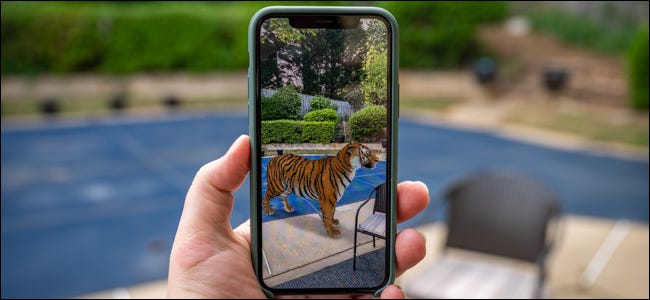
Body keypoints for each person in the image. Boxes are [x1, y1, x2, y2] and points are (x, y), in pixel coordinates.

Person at [167, 135, 430, 298]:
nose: (370, 157)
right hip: (285, 170)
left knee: (329, 202)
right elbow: (326, 200)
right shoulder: (335, 169)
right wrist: (329, 222)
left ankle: (291, 203)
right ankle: (270, 202)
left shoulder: (342, 169)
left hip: (298, 170)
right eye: (365, 154)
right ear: (350, 155)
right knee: (285, 191)